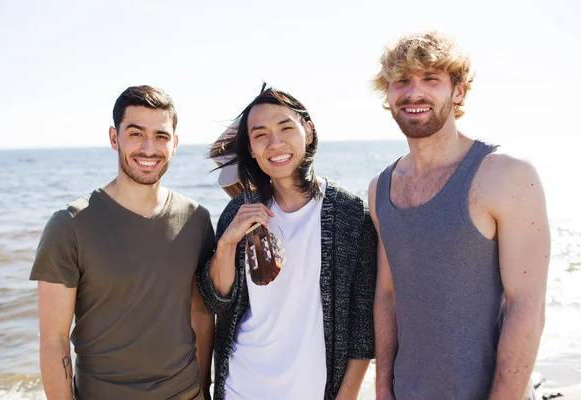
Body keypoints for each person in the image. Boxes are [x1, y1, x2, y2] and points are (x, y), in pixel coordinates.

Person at [369, 31, 551, 400]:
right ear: (388, 95)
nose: (413, 92)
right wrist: (383, 388)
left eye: (431, 79)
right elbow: (387, 294)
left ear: (459, 92)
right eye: (401, 81)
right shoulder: (380, 187)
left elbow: (526, 305)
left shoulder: (505, 175)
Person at [30, 85, 215, 400]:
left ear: (175, 143)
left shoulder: (196, 219)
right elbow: (53, 341)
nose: (148, 148)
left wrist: (203, 389)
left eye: (161, 136)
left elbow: (200, 313)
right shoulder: (69, 226)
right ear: (114, 138)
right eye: (135, 133)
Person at [196, 86, 377, 400]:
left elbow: (362, 325)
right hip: (241, 387)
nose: (275, 143)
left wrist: (346, 395)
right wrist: (227, 243)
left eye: (285, 128)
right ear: (250, 149)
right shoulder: (239, 211)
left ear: (307, 130)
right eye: (260, 134)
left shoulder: (350, 213)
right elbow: (216, 300)